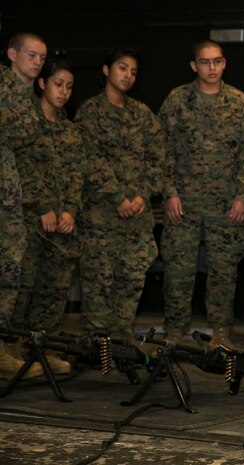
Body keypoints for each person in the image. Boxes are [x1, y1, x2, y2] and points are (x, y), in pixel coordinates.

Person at [158, 40, 244, 345]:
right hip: (182, 204)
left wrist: (243, 196)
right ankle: (174, 329)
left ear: (224, 63)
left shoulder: (238, 102)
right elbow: (162, 151)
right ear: (193, 65)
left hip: (225, 206)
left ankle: (221, 332)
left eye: (216, 62)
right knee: (178, 269)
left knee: (223, 272)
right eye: (204, 62)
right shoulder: (177, 100)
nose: (211, 68)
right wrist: (169, 192)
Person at [74, 48, 164, 340]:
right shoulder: (90, 112)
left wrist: (141, 196)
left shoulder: (142, 114)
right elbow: (89, 159)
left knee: (131, 282)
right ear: (106, 70)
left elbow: (157, 159)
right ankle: (97, 349)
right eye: (122, 68)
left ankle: (121, 344)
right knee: (99, 283)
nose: (128, 75)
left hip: (137, 219)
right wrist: (118, 198)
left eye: (134, 71)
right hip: (102, 217)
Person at [12, 58, 86, 375]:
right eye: (58, 84)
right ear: (42, 83)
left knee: (54, 290)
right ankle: (10, 350)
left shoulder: (69, 132)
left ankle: (40, 349)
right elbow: (21, 168)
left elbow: (76, 176)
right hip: (30, 221)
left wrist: (69, 209)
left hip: (61, 227)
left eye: (70, 86)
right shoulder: (26, 124)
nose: (64, 92)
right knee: (23, 287)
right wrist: (42, 206)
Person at [0, 32, 46, 379]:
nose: (37, 63)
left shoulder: (27, 96)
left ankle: (3, 347)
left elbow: (26, 136)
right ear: (12, 53)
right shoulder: (5, 89)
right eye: (32, 55)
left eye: (42, 58)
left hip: (10, 198)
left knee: (10, 271)